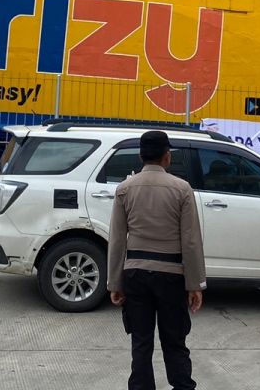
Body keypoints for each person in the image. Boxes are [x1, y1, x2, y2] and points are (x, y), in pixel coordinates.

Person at [108, 130, 205, 390]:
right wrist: (195, 284)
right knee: (174, 341)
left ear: (141, 155)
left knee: (141, 342)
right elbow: (191, 240)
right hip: (172, 275)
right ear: (167, 157)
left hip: (136, 274)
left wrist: (115, 283)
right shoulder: (182, 189)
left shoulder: (124, 189)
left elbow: (117, 239)